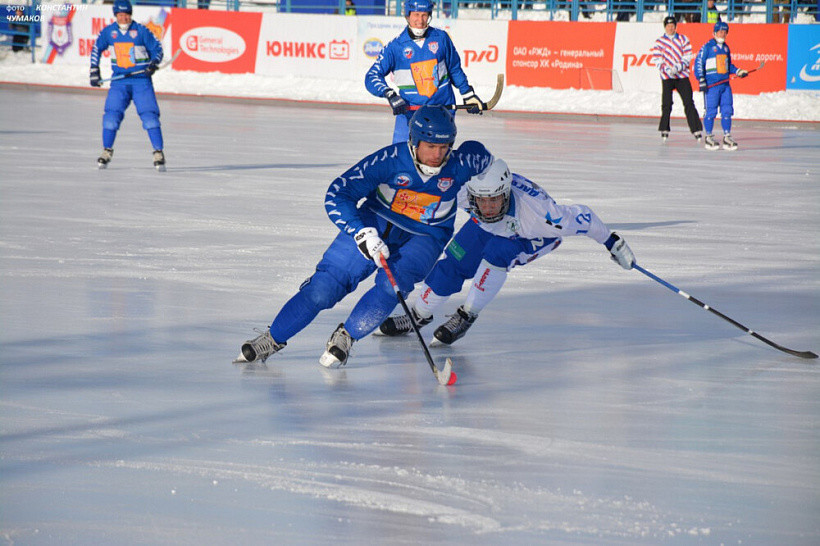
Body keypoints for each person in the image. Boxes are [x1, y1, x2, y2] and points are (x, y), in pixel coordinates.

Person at [234, 106, 494, 368]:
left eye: (445, 146)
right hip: (375, 221)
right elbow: (338, 192)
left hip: (427, 235)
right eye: (430, 146)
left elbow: (493, 169)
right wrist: (361, 231)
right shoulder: (390, 161)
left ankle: (347, 336)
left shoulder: (462, 163)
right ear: (414, 141)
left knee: (394, 284)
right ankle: (273, 338)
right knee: (324, 289)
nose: (438, 155)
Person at [376, 158, 636, 346]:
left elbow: (586, 219)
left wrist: (614, 243)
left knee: (498, 253)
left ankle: (467, 315)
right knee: (453, 263)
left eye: (494, 200)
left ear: (505, 193)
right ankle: (418, 316)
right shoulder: (464, 190)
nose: (488, 206)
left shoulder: (541, 216)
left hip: (530, 235)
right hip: (487, 227)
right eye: (482, 200)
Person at [364, 0, 484, 144]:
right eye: (416, 15)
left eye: (424, 15)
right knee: (401, 159)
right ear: (407, 16)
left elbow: (454, 68)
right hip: (409, 113)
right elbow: (372, 76)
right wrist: (390, 95)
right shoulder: (395, 47)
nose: (420, 21)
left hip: (442, 112)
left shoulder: (441, 38)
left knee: (437, 159)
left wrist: (468, 94)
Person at [89, 0, 166, 171]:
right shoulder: (109, 32)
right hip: (119, 81)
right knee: (110, 116)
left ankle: (158, 152)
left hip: (141, 81)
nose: (124, 18)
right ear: (115, 15)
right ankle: (106, 151)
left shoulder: (141, 31)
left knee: (150, 116)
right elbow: (96, 48)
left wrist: (153, 63)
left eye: (127, 14)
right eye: (120, 15)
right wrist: (94, 70)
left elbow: (158, 49)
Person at [694, 22, 748, 151]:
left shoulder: (726, 48)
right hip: (712, 86)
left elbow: (728, 65)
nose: (722, 34)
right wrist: (701, 79)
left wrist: (738, 71)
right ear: (714, 33)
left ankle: (727, 136)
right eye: (720, 31)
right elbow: (698, 64)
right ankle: (708, 136)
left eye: (725, 32)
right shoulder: (707, 47)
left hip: (725, 85)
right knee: (710, 111)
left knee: (727, 110)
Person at [652, 16, 703, 143]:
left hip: (682, 76)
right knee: (667, 104)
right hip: (667, 77)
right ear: (665, 27)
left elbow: (687, 56)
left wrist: (678, 67)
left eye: (672, 25)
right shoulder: (659, 42)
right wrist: (666, 69)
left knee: (688, 102)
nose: (670, 28)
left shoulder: (683, 39)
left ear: (676, 26)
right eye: (668, 26)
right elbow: (657, 59)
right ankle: (664, 129)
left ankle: (696, 129)